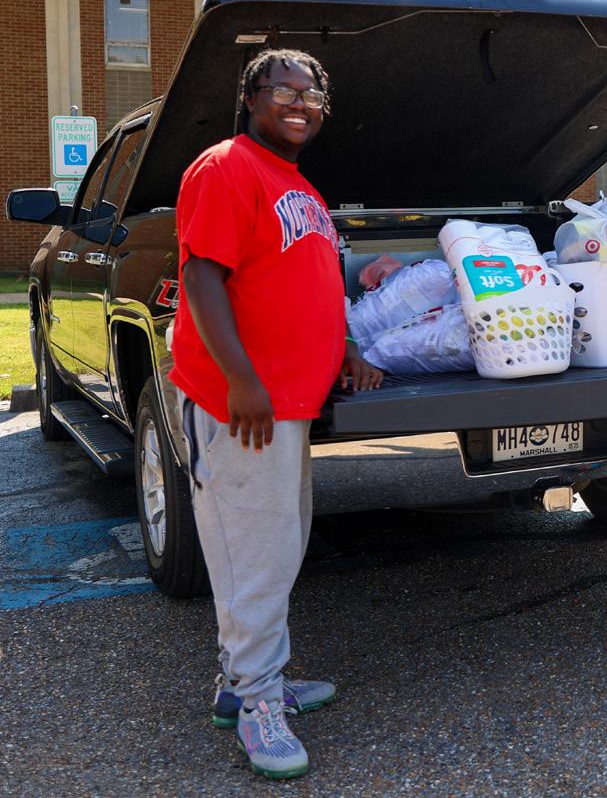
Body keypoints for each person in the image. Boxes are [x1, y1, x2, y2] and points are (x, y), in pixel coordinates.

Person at [169, 48, 383, 779]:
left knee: (275, 549)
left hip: (286, 404)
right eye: (281, 89)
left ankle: (248, 682)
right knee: (252, 556)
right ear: (249, 96)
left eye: (311, 93)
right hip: (243, 406)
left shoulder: (298, 186)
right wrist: (242, 379)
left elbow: (309, 281)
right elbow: (202, 274)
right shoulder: (226, 167)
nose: (299, 102)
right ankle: (258, 703)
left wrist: (345, 346)